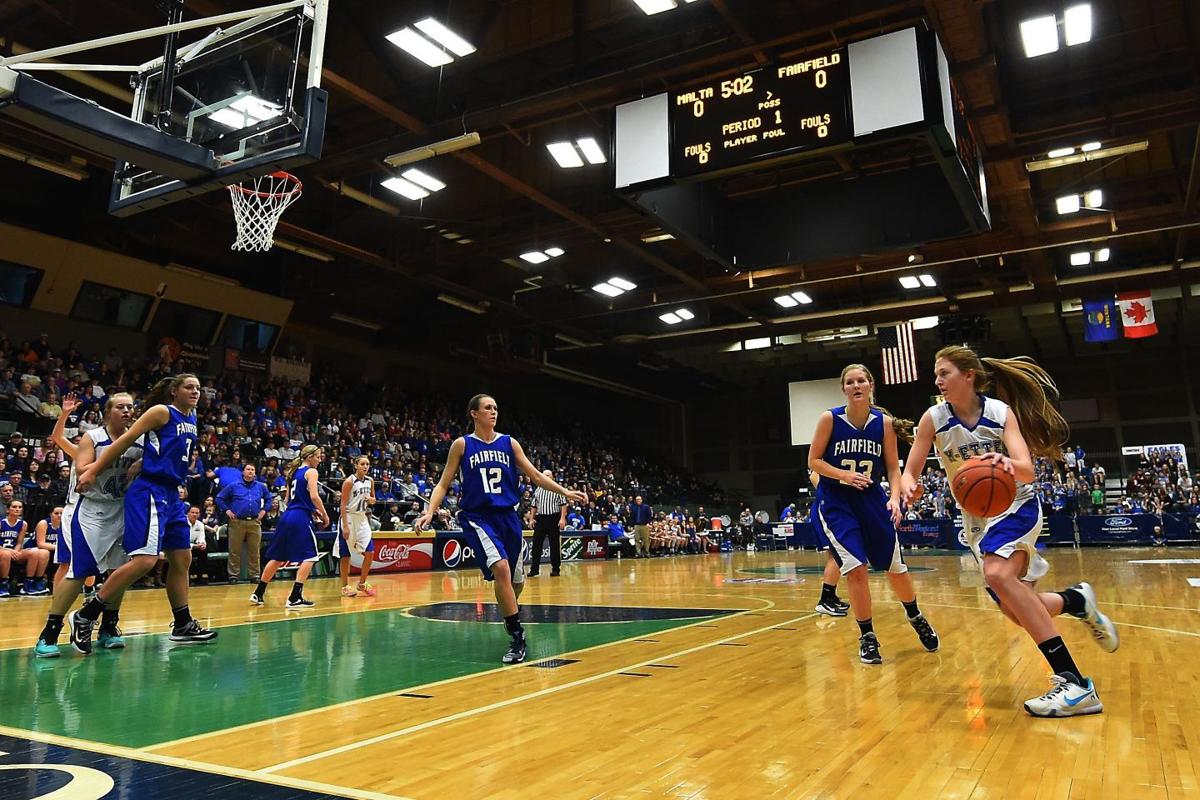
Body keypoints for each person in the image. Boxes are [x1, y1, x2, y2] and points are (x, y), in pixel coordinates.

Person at [901, 346, 1118, 717]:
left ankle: (1076, 684)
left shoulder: (1000, 413)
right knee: (1018, 612)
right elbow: (912, 469)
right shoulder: (933, 419)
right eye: (936, 375)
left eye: (944, 373)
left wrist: (1006, 462)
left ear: (968, 376)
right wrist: (909, 485)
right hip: (977, 520)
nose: (937, 381)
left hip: (1016, 505)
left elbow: (1028, 469)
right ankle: (1075, 601)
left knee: (998, 574)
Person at [415, 394, 586, 665]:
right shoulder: (462, 445)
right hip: (477, 516)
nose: (493, 412)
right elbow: (443, 484)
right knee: (502, 569)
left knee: (515, 582)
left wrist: (565, 491)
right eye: (488, 408)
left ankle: (508, 611)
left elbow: (536, 476)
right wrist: (429, 511)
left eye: (496, 408)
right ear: (474, 413)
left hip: (508, 518)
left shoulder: (509, 443)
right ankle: (518, 637)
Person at [71, 374, 216, 649]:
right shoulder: (162, 412)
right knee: (145, 561)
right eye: (189, 387)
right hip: (150, 491)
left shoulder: (192, 417)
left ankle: (183, 622)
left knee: (182, 560)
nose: (195, 392)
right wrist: (92, 471)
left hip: (172, 493)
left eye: (198, 388)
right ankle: (85, 615)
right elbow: (126, 441)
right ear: (174, 391)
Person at [808, 364, 939, 664]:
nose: (856, 385)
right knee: (855, 568)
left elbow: (893, 467)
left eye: (861, 380)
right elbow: (813, 460)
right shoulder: (830, 419)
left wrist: (895, 498)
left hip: (872, 500)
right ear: (844, 389)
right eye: (850, 382)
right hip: (837, 502)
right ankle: (867, 635)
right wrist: (843, 475)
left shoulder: (884, 423)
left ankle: (915, 615)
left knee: (895, 568)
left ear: (870, 386)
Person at [251, 445, 329, 608]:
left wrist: (310, 509)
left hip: (287, 516)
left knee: (278, 557)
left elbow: (287, 500)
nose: (320, 459)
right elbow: (314, 496)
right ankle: (295, 597)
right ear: (309, 457)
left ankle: (258, 593)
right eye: (318, 456)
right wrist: (324, 513)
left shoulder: (293, 473)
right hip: (300, 517)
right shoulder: (312, 472)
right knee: (311, 556)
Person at [215, 463, 272, 584]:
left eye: (252, 469)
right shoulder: (233, 486)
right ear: (243, 472)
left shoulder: (261, 486)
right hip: (237, 522)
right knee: (234, 550)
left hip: (255, 522)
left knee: (254, 550)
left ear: (255, 473)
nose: (250, 471)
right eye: (248, 469)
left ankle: (255, 575)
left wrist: (263, 511)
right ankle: (233, 576)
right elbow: (219, 498)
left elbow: (269, 499)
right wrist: (227, 510)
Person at [806, 471, 849, 617]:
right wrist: (833, 496)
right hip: (826, 509)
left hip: (833, 509)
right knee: (836, 556)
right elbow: (813, 476)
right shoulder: (822, 456)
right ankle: (825, 600)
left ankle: (831, 596)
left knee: (836, 555)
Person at [336, 455, 377, 598]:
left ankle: (362, 583)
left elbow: (373, 499)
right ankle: (345, 586)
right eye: (362, 464)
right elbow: (343, 504)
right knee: (345, 555)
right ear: (356, 465)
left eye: (367, 464)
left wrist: (372, 500)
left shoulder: (370, 480)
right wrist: (345, 526)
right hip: (349, 517)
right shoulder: (349, 481)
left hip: (362, 518)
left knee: (370, 552)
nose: (365, 466)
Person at [1, 500, 48, 596]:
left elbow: (19, 542)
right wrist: (8, 551)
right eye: (14, 507)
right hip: (2, 550)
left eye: (19, 507)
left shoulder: (23, 524)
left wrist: (15, 551)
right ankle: (3, 584)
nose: (17, 509)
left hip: (14, 550)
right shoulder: (1, 522)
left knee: (34, 552)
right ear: (7, 510)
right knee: (5, 554)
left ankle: (28, 584)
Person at [530, 470, 568, 577]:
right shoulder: (538, 489)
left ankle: (555, 568)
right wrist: (531, 519)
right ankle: (534, 569)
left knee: (554, 544)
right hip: (541, 518)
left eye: (548, 475)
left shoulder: (556, 488)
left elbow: (563, 505)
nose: (545, 477)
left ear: (552, 477)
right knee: (536, 544)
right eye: (544, 475)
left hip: (553, 518)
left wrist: (562, 519)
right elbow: (534, 505)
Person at [34, 506, 64, 587]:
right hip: (36, 550)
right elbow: (41, 544)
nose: (60, 515)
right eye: (56, 513)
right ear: (51, 514)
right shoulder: (44, 523)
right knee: (45, 552)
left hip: (54, 552)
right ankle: (38, 580)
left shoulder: (66, 526)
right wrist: (59, 547)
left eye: (62, 513)